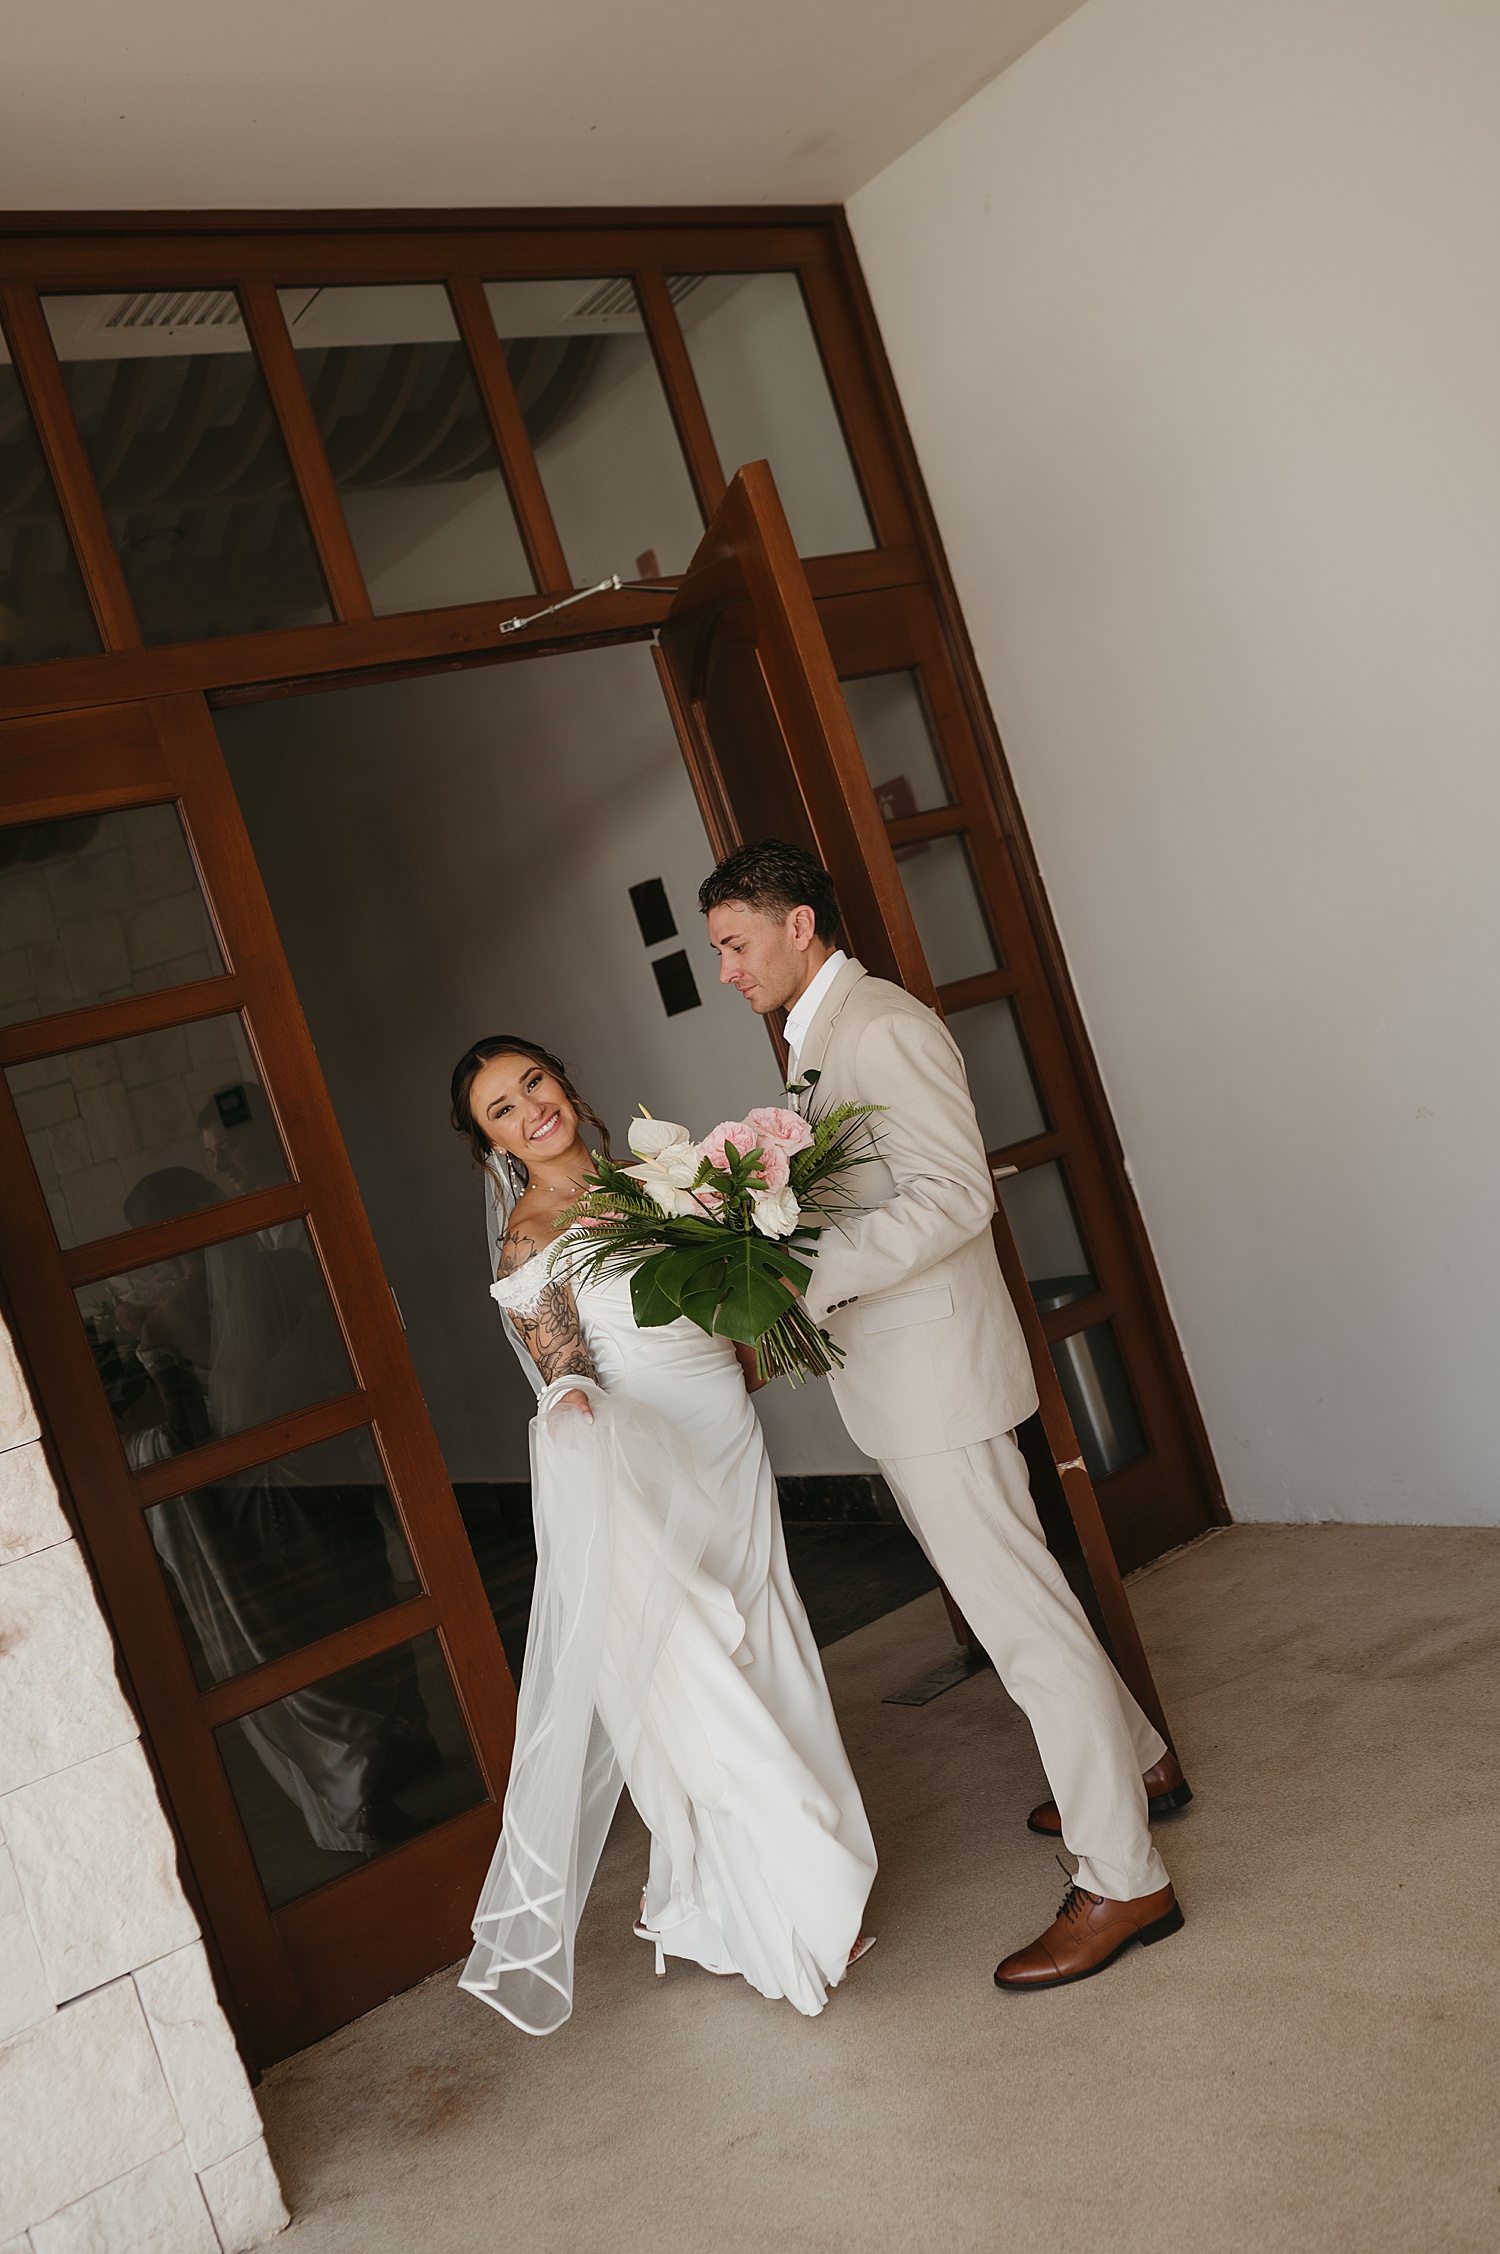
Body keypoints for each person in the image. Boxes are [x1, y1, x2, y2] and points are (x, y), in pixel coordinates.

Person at [700, 839, 1188, 1992]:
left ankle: (1125, 1876)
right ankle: (1144, 1762)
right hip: (907, 1381)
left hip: (938, 1384)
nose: (724, 969)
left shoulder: (880, 1027)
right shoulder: (820, 1038)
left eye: (734, 944)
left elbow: (957, 1195)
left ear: (800, 924)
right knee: (1022, 1598)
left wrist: (799, 1271)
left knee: (1022, 1624)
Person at [450, 1034, 876, 2033]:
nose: (530, 1112)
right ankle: (794, 1888)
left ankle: (762, 1874)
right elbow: (562, 1367)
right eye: (501, 1111)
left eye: (533, 1085)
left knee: (762, 1631)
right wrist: (570, 1406)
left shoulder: (659, 1176)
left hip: (725, 1433)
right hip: (647, 1461)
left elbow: (727, 1305)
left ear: (564, 1078)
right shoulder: (528, 1236)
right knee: (702, 1665)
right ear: (492, 1144)